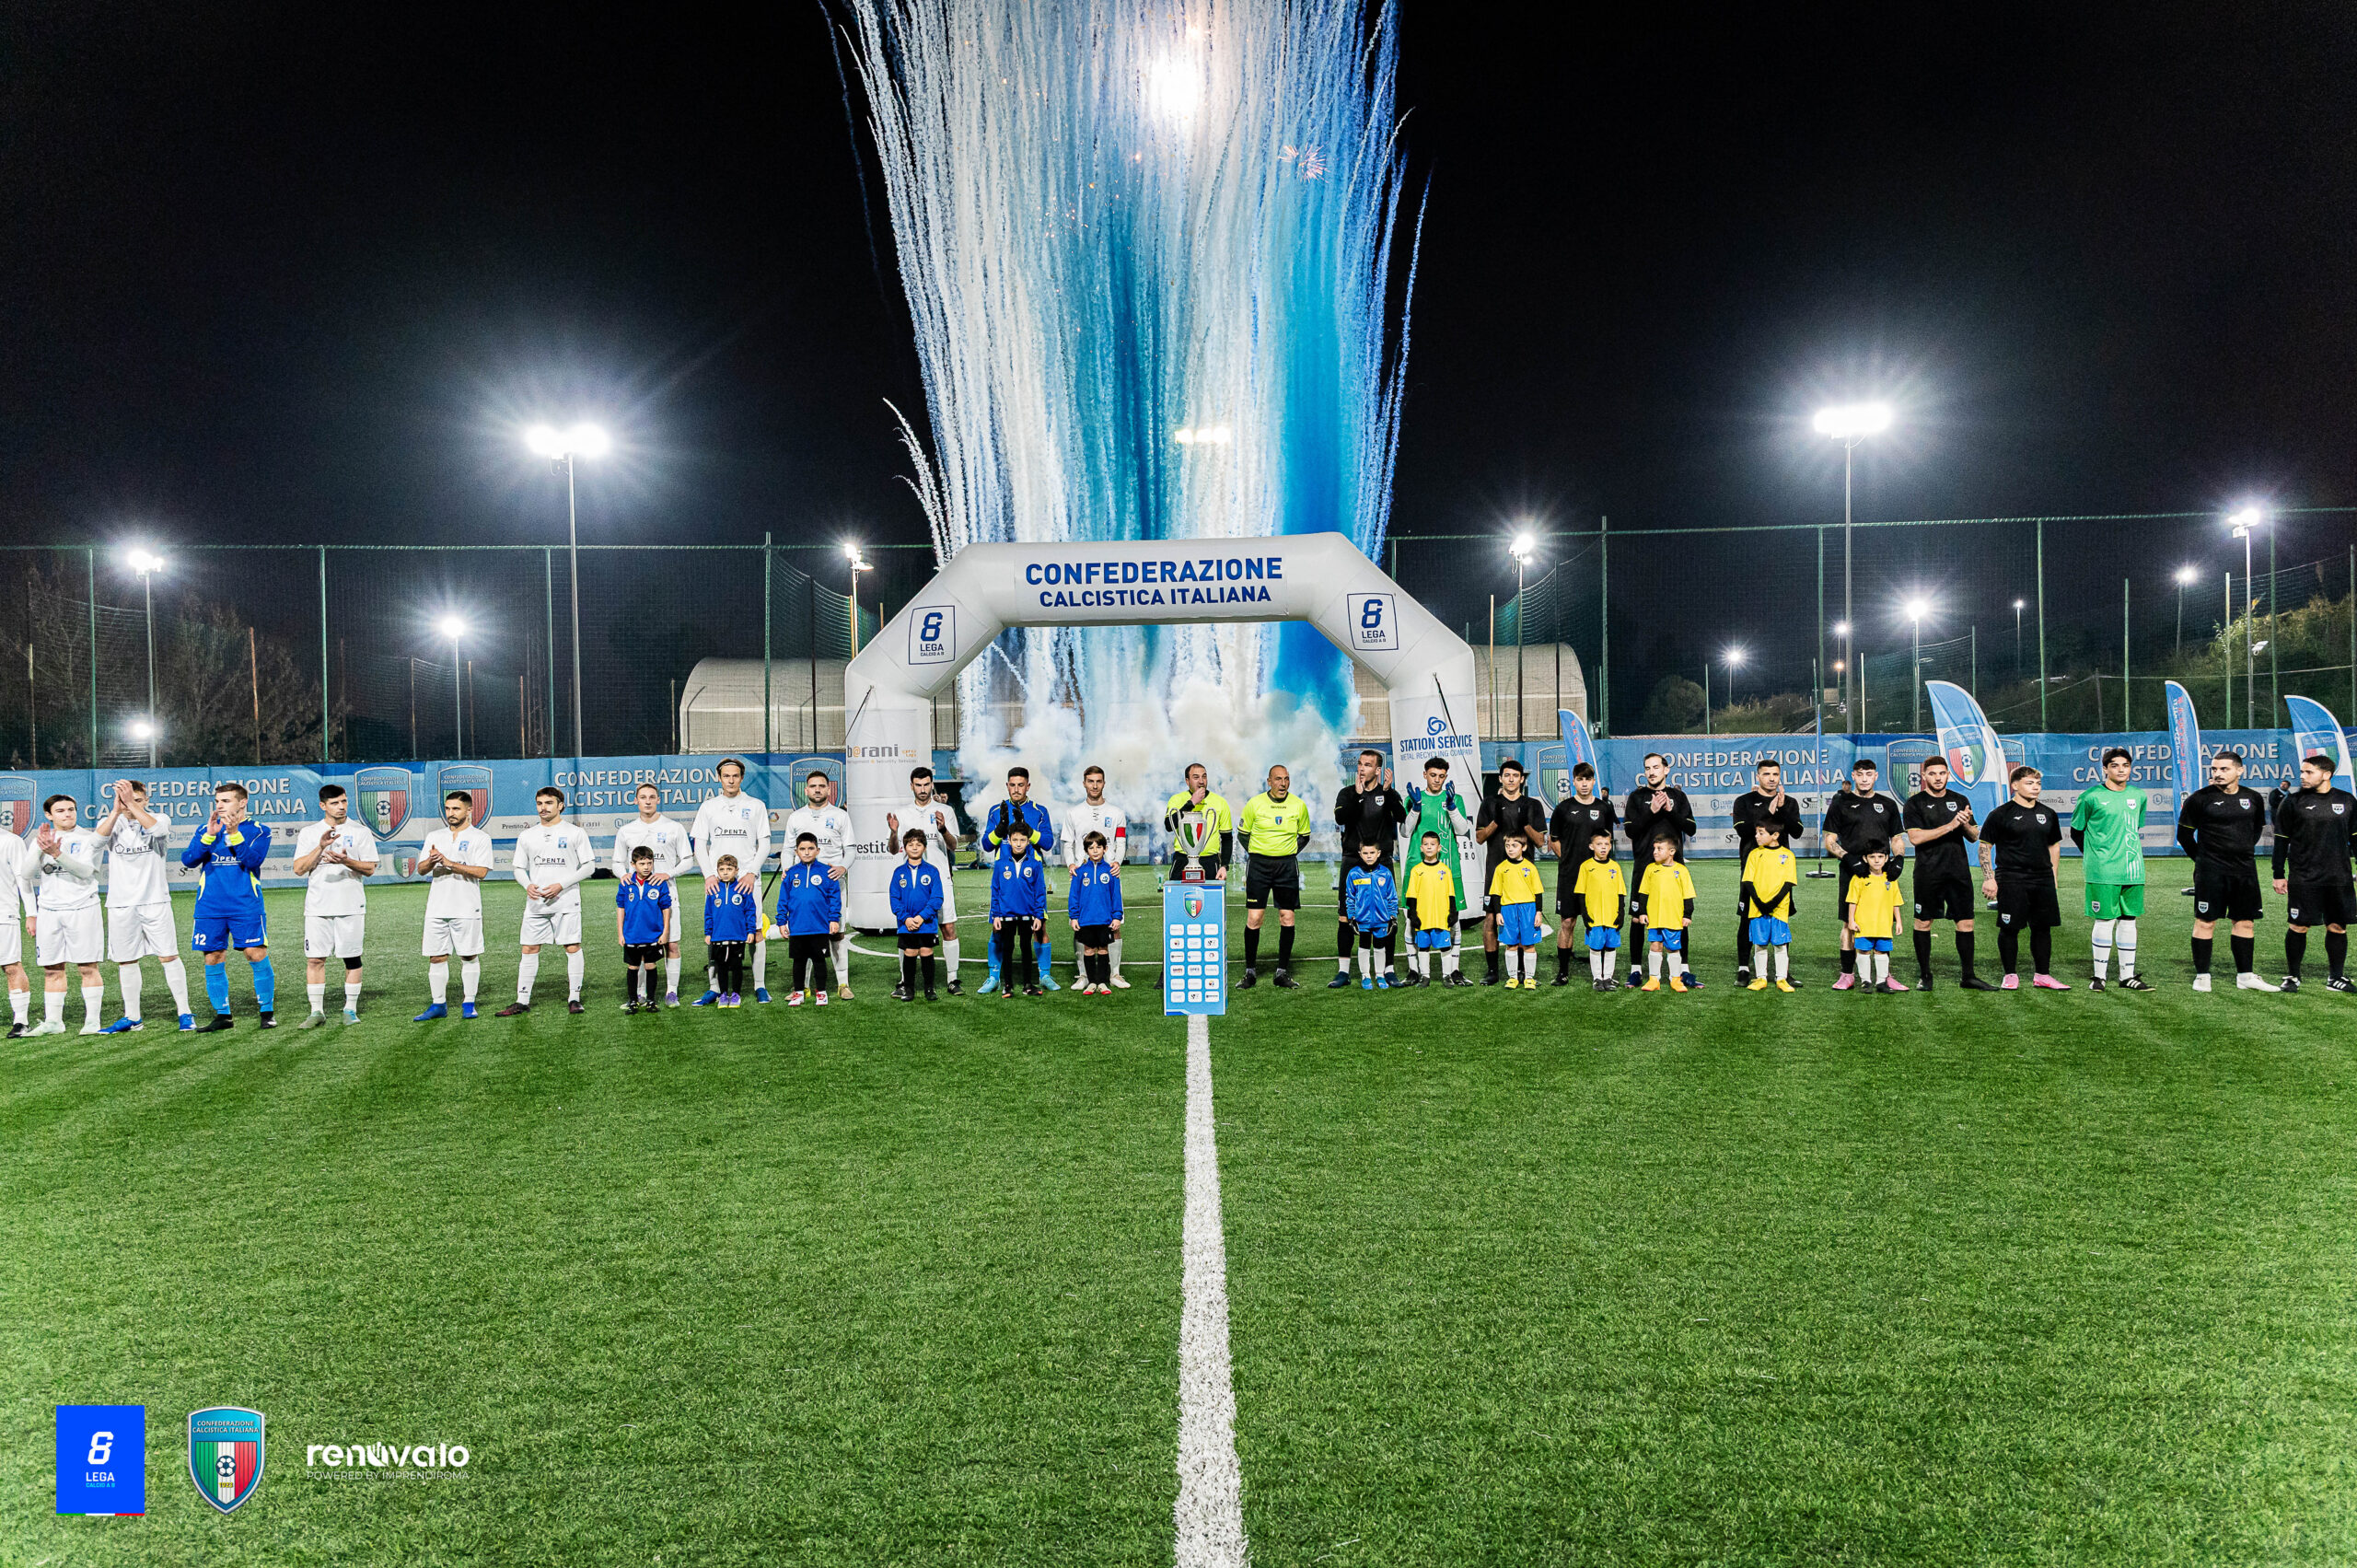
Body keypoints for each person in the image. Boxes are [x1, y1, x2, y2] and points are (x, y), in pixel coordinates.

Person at [92, 778, 194, 1033]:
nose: (130, 805)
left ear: (146, 800)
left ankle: (185, 1012)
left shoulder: (160, 818)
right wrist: (116, 810)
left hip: (155, 901)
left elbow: (158, 831)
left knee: (168, 956)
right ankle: (132, 1017)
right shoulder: (111, 821)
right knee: (126, 960)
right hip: (120, 904)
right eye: (126, 801)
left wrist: (132, 804)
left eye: (137, 800)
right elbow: (95, 844)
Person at [2177, 749, 2277, 993]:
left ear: (2240, 770)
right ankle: (2202, 976)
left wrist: (2240, 852)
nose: (2218, 773)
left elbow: (2255, 830)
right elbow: (2184, 835)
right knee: (2205, 921)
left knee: (2245, 922)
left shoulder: (2253, 798)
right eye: (2214, 769)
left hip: (2244, 871)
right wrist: (2203, 860)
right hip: (2211, 872)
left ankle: (2245, 976)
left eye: (2224, 769)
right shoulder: (2199, 799)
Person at [180, 781, 276, 1029]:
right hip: (210, 906)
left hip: (245, 905)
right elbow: (189, 860)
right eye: (217, 801)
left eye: (225, 801)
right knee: (213, 956)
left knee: (255, 953)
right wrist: (209, 836)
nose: (219, 806)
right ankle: (223, 1016)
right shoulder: (206, 828)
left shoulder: (259, 830)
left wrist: (233, 834)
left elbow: (253, 860)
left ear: (242, 802)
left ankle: (267, 1013)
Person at [498, 785, 593, 1016]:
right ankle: (522, 1001)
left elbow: (589, 866)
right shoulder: (527, 835)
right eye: (540, 803)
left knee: (572, 946)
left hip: (566, 901)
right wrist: (527, 885)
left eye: (549, 803)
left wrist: (561, 885)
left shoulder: (575, 833)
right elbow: (519, 868)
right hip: (536, 903)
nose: (543, 808)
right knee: (529, 948)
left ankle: (574, 998)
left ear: (560, 805)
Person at [290, 783, 378, 1028]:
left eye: (344, 801)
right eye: (335, 803)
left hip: (350, 906)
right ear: (323, 805)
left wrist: (346, 861)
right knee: (315, 959)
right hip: (318, 907)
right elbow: (299, 869)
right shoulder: (309, 833)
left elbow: (370, 868)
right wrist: (320, 847)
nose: (341, 807)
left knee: (352, 958)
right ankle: (316, 1012)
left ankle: (350, 1009)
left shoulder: (360, 832)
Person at [1903, 757, 1991, 990]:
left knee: (1966, 922)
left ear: (1948, 775)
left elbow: (1973, 836)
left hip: (1958, 872)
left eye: (1942, 773)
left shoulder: (1960, 800)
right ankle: (1925, 975)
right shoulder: (1914, 803)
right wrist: (1951, 825)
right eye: (1932, 774)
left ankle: (1968, 976)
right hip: (1928, 872)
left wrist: (1964, 824)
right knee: (1924, 922)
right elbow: (1915, 838)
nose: (1938, 778)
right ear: (1924, 776)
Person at [1978, 765, 2068, 990]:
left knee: (2043, 927)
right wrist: (1989, 878)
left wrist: (2053, 876)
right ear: (2015, 785)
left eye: (2038, 783)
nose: (2035, 787)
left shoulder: (2048, 813)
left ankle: (2042, 975)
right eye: (2029, 783)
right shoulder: (2000, 814)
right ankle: (2010, 974)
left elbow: (2054, 845)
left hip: (2042, 879)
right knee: (2010, 928)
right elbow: (1984, 846)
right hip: (2012, 879)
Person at [2272, 752, 2357, 993]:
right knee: (2298, 926)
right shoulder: (2292, 802)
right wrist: (2278, 873)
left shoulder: (2347, 800)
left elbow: (2355, 838)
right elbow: (2281, 841)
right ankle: (2293, 976)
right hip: (2304, 877)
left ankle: (2336, 978)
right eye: (2302, 772)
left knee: (2338, 927)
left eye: (2309, 772)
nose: (2303, 776)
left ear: (2326, 774)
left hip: (2339, 877)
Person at [2071, 746, 2154, 992]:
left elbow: (2134, 828)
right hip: (2103, 870)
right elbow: (2076, 832)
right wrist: (2097, 857)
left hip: (2133, 869)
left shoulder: (2139, 796)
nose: (2121, 770)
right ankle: (2099, 977)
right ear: (2105, 769)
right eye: (2115, 765)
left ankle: (2127, 976)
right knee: (2105, 920)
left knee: (2129, 921)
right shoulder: (2091, 797)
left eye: (2125, 765)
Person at [22, 794, 107, 1035]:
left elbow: (85, 872)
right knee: (52, 969)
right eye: (60, 811)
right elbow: (26, 874)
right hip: (49, 910)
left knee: (87, 966)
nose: (67, 814)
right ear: (49, 815)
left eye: (71, 809)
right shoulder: (41, 840)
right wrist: (41, 849)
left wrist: (57, 853)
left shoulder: (89, 838)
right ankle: (54, 1022)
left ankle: (92, 1021)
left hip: (82, 908)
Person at [691, 758, 772, 1004]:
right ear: (719, 778)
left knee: (755, 931)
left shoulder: (756, 805)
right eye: (726, 776)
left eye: (735, 775)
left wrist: (751, 872)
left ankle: (759, 985)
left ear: (742, 777)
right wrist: (709, 875)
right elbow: (699, 845)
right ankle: (715, 987)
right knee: (716, 931)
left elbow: (765, 844)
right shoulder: (708, 807)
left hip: (747, 880)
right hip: (718, 882)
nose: (731, 780)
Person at [1823, 757, 1905, 991]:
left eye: (1869, 774)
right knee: (1850, 922)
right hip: (1853, 871)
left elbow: (1897, 838)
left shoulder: (1888, 804)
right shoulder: (1841, 803)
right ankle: (1847, 974)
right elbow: (1829, 839)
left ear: (1876, 776)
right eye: (1860, 774)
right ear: (1854, 776)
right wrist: (1848, 857)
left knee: (1883, 922)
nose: (1865, 779)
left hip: (1881, 872)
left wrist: (1899, 859)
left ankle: (1885, 976)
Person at [888, 765, 967, 996]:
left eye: (926, 785)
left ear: (932, 784)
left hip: (940, 878)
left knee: (948, 927)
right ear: (911, 786)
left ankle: (952, 979)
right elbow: (892, 850)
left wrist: (943, 829)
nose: (922, 789)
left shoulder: (945, 810)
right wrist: (893, 832)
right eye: (918, 785)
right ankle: (905, 982)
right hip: (911, 883)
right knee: (907, 930)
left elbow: (954, 846)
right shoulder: (901, 813)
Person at [413, 789, 493, 1020]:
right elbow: (421, 870)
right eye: (447, 808)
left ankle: (469, 1003)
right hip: (437, 907)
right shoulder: (435, 836)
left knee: (468, 955)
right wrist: (432, 861)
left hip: (466, 906)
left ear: (469, 810)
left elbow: (481, 872)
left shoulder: (480, 838)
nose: (451, 813)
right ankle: (438, 1004)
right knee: (436, 957)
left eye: (456, 808)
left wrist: (450, 863)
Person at [611, 782, 691, 1005]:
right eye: (643, 797)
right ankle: (640, 993)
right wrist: (623, 875)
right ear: (635, 800)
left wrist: (668, 874)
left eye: (652, 797)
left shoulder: (674, 827)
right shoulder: (626, 831)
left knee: (671, 944)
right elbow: (617, 862)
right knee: (639, 945)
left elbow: (688, 860)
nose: (647, 801)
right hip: (637, 901)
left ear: (658, 800)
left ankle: (671, 992)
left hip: (667, 897)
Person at [1332, 749, 1407, 987]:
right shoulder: (1347, 793)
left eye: (1367, 764)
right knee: (1345, 916)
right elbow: (1341, 819)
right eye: (1360, 764)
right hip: (1352, 860)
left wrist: (1389, 792)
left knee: (1388, 916)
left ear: (1378, 769)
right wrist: (1357, 795)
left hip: (1382, 861)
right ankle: (1343, 972)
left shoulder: (1387, 793)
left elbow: (1401, 816)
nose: (1362, 768)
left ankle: (1388, 970)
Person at [980, 766, 1058, 993]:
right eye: (1012, 785)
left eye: (1021, 785)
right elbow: (986, 845)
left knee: (1040, 928)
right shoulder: (997, 810)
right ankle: (994, 977)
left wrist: (1027, 829)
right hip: (1005, 879)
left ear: (1028, 786)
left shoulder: (1039, 811)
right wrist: (1000, 829)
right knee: (998, 928)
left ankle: (1044, 975)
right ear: (1007, 786)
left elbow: (1048, 843)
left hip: (1029, 880)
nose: (1016, 789)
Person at [1237, 764, 1314, 990]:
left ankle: (1282, 972)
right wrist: (1259, 853)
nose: (1283, 783)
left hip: (1286, 867)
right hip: (1259, 866)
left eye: (1286, 779)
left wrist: (1285, 852)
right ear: (1269, 781)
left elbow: (1304, 836)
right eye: (1278, 779)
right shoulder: (1255, 804)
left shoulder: (1298, 805)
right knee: (1255, 918)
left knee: (1287, 917)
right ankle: (1250, 972)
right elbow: (1243, 835)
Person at [1623, 753, 1698, 987]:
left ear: (1666, 770)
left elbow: (1691, 828)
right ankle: (1636, 970)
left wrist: (1669, 810)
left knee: (1678, 918)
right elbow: (1630, 831)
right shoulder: (1637, 797)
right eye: (1647, 768)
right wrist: (1651, 811)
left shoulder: (1678, 797)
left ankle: (1683, 969)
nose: (1651, 772)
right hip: (1644, 868)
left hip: (1673, 870)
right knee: (1638, 917)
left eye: (1656, 767)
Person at [784, 768, 858, 1000]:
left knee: (836, 933)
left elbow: (851, 849)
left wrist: (843, 867)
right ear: (806, 790)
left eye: (822, 786)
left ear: (829, 789)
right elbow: (787, 849)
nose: (817, 790)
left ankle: (843, 984)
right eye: (813, 786)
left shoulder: (840, 816)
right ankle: (802, 987)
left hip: (832, 886)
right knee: (803, 934)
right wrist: (787, 870)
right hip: (803, 889)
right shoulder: (796, 817)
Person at [1732, 760, 1805, 985]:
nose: (1771, 778)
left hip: (1780, 872)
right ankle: (1744, 968)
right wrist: (1768, 811)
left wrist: (1782, 810)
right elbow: (1743, 831)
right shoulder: (1744, 801)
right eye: (1766, 774)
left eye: (1775, 774)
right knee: (1748, 916)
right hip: (1753, 870)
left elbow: (1797, 832)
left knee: (1780, 918)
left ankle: (1783, 972)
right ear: (1758, 777)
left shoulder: (1789, 802)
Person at [1476, 759, 1550, 985]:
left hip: (1523, 874)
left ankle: (1521, 971)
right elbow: (1479, 837)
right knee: (1491, 918)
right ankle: (1492, 971)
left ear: (1522, 779)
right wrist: (1495, 822)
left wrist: (1526, 824)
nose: (1511, 779)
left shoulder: (1533, 805)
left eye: (1515, 776)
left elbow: (1540, 842)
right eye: (1507, 775)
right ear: (1500, 778)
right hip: (1496, 870)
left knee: (1523, 920)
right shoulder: (1489, 803)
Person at [1548, 761, 1618, 985]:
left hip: (1598, 878)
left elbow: (1607, 840)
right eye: (1580, 779)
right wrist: (1568, 860)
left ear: (1594, 781)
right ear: (1574, 781)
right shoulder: (1563, 808)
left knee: (1600, 922)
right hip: (1570, 876)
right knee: (1567, 922)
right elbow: (1554, 840)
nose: (1584, 784)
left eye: (1588, 779)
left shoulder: (1604, 808)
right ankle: (1563, 972)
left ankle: (1603, 974)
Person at [1062, 765, 1131, 988]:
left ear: (1104, 783)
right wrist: (1071, 864)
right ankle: (1084, 975)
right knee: (1081, 925)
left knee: (1114, 924)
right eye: (1090, 781)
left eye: (1098, 781)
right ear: (1084, 783)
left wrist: (1117, 862)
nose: (1094, 785)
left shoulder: (1116, 813)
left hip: (1108, 876)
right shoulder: (1073, 813)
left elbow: (1120, 842)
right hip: (1083, 877)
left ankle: (1114, 974)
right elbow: (1067, 843)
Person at [1402, 757, 1476, 949]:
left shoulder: (1455, 799)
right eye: (1433, 775)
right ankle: (1415, 965)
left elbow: (1462, 830)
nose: (1437, 780)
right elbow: (1405, 832)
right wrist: (1415, 808)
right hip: (1417, 866)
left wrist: (1451, 807)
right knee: (1413, 919)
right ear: (1425, 774)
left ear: (1446, 777)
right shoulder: (1413, 798)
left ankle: (1453, 965)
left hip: (1448, 866)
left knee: (1453, 919)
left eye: (1441, 776)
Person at [776, 831, 842, 1006]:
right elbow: (783, 899)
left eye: (811, 848)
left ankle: (821, 992)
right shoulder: (790, 873)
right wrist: (781, 922)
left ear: (818, 850)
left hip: (819, 927)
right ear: (796, 852)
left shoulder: (827, 872)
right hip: (797, 927)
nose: (806, 852)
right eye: (802, 849)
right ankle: (798, 992)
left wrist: (834, 919)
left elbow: (835, 898)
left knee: (819, 961)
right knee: (798, 962)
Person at [988, 819, 1048, 997]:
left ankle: (1028, 984)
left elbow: (1040, 891)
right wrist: (996, 915)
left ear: (1028, 841)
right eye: (1015, 840)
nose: (1019, 844)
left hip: (1027, 915)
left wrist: (1038, 915)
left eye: (1022, 840)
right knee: (1007, 948)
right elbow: (995, 890)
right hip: (1006, 915)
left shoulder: (1035, 864)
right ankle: (1008, 984)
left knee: (1026, 948)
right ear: (1009, 840)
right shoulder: (1000, 864)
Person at [1632, 835, 1696, 993]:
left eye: (1659, 849)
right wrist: (1642, 912)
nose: (1655, 852)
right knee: (1655, 946)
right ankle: (1654, 979)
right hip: (1655, 918)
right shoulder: (1650, 869)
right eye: (1654, 848)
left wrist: (1687, 914)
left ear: (1672, 852)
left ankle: (1675, 979)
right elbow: (1643, 893)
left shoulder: (1681, 870)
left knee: (1673, 948)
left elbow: (1688, 895)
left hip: (1673, 918)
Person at [889, 829, 947, 1002]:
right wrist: (906, 918)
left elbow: (937, 898)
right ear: (904, 848)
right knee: (910, 952)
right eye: (910, 844)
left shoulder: (932, 871)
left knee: (926, 951)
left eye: (918, 844)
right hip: (906, 924)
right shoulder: (898, 872)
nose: (914, 848)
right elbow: (894, 899)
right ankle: (908, 989)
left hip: (927, 923)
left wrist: (922, 917)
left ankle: (929, 988)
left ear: (925, 848)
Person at [1739, 821, 1797, 992]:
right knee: (1760, 944)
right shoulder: (1754, 854)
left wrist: (1773, 903)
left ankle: (1781, 978)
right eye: (1756, 832)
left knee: (1780, 944)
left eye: (1761, 833)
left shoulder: (1788, 855)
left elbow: (1788, 883)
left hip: (1779, 909)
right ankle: (1761, 978)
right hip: (1757, 908)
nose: (1756, 836)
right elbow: (1748, 881)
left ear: (1775, 835)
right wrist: (1759, 903)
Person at [1066, 829, 1124, 995]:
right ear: (1086, 851)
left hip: (1105, 919)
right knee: (1089, 950)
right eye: (1091, 848)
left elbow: (1116, 895)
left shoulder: (1111, 871)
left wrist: (1117, 916)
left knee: (1103, 950)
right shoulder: (1080, 872)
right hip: (1086, 920)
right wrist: (1074, 917)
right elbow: (1074, 896)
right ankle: (1091, 982)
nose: (1095, 851)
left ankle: (1103, 982)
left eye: (1099, 847)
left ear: (1105, 849)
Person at [614, 844, 671, 1013]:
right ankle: (633, 1000)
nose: (646, 867)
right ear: (633, 864)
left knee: (650, 966)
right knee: (633, 967)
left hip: (652, 934)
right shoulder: (626, 883)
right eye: (642, 864)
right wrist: (620, 933)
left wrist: (665, 931)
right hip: (631, 934)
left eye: (649, 863)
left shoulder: (659, 883)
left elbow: (666, 907)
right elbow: (620, 908)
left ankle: (651, 1000)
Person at [1401, 830, 1462, 986]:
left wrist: (1453, 913)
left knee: (1445, 947)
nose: (1429, 847)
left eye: (1432, 844)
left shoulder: (1445, 870)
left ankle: (1447, 976)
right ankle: (1425, 976)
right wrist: (1413, 915)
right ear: (1421, 848)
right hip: (1423, 918)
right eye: (1426, 844)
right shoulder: (1416, 871)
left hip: (1441, 918)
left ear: (1439, 848)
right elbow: (1411, 896)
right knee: (1423, 947)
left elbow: (1451, 894)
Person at [1845, 841, 1908, 993]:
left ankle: (1881, 982)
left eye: (1880, 857)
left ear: (1886, 858)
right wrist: (1851, 921)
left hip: (1884, 925)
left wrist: (1899, 922)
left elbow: (1895, 902)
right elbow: (1852, 901)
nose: (1877, 860)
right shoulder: (1859, 879)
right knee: (1864, 951)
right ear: (1865, 859)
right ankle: (1865, 982)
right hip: (1864, 925)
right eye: (1872, 857)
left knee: (1881, 952)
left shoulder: (1890, 879)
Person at [1569, 830, 1628, 991]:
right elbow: (1581, 892)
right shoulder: (1586, 867)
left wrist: (1621, 913)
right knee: (1595, 947)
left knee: (1610, 947)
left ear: (1610, 846)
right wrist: (1584, 913)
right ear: (1591, 846)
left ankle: (1608, 977)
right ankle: (1597, 978)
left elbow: (1621, 892)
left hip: (1612, 916)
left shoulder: (1615, 867)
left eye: (1606, 844)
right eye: (1599, 844)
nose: (1603, 847)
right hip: (1594, 916)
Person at [1487, 831, 1546, 989]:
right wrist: (1498, 913)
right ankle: (1512, 978)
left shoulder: (1530, 867)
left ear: (1524, 847)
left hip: (1528, 909)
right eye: (1507, 846)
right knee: (1511, 944)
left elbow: (1538, 892)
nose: (1510, 849)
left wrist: (1538, 912)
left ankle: (1529, 978)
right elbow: (1496, 893)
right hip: (1508, 910)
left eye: (1514, 846)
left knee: (1529, 945)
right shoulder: (1501, 868)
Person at [1341, 838, 1399, 991]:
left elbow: (1392, 897)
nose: (1369, 856)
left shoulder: (1385, 873)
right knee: (1364, 946)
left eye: (1372, 853)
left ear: (1378, 853)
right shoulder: (1354, 873)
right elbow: (1350, 897)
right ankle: (1365, 975)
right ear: (1360, 854)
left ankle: (1380, 974)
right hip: (1363, 920)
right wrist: (1352, 917)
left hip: (1381, 919)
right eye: (1365, 853)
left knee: (1380, 946)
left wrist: (1392, 916)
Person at [1162, 761, 1235, 884]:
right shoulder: (1176, 799)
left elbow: (1227, 837)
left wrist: (1224, 866)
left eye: (1204, 777)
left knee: (1209, 896)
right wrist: (1191, 803)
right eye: (1196, 777)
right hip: (1182, 859)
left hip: (1210, 861)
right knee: (1180, 895)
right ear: (1187, 781)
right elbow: (1169, 826)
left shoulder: (1220, 802)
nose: (1201, 781)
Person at [702, 854, 761, 1006]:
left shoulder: (743, 889)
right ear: (717, 871)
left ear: (736, 870)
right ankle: (723, 995)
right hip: (718, 937)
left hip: (738, 936)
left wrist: (750, 931)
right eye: (722, 869)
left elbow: (750, 911)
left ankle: (735, 994)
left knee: (736, 966)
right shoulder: (713, 891)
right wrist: (708, 932)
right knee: (721, 967)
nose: (726, 872)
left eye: (729, 869)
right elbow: (708, 914)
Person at [0, 813, 30, 1036]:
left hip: (4, 914)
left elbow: (23, 879)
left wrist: (32, 914)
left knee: (11, 966)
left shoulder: (11, 841)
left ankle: (21, 1021)